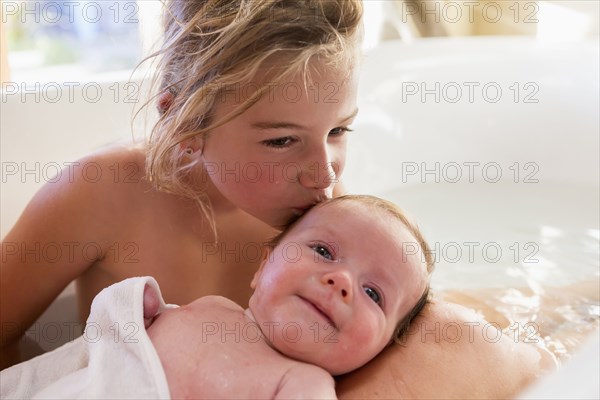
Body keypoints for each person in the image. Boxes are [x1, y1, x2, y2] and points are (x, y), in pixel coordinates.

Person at [0, 0, 363, 369]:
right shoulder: (102, 194)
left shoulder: (327, 215)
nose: (324, 176)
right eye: (281, 141)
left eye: (338, 130)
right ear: (185, 122)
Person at [1, 195, 434, 399]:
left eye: (373, 293)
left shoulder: (303, 384)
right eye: (323, 251)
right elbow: (103, 347)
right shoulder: (210, 309)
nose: (341, 280)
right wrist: (136, 311)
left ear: (382, 348)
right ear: (263, 266)